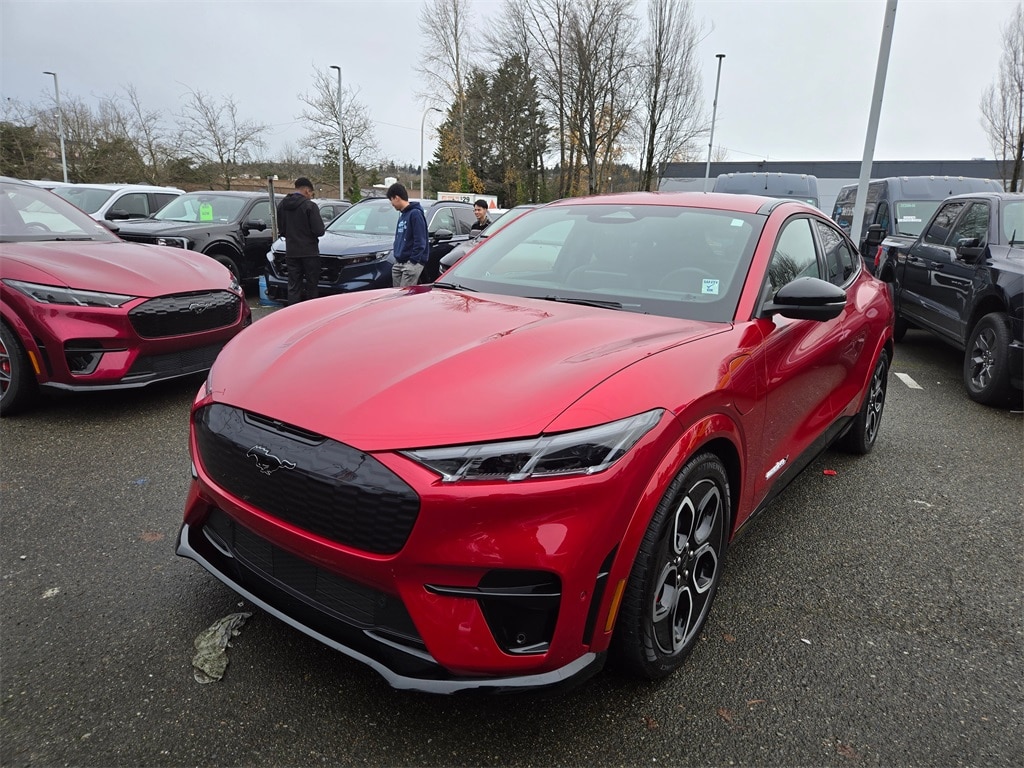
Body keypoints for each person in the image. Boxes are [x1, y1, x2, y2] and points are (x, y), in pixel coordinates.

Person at [277, 177, 325, 304]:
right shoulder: (310, 206)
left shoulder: (282, 205)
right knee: (312, 286)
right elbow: (319, 231)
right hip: (310, 252)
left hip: (291, 251)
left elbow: (281, 229)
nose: (311, 196)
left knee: (293, 286)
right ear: (307, 191)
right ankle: (311, 313)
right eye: (311, 193)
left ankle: (293, 313)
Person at [387, 182, 428, 287]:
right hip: (399, 262)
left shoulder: (415, 214)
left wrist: (413, 261)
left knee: (404, 297)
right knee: (395, 295)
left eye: (391, 200)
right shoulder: (402, 216)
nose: (391, 204)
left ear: (396, 198)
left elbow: (420, 240)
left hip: (411, 263)